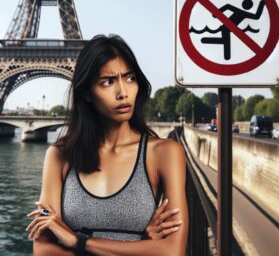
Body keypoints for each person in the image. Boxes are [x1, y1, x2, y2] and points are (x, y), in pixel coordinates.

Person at [25, 34, 188, 255]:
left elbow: (172, 251)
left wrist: (77, 240)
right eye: (108, 82)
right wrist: (140, 245)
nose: (123, 93)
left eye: (130, 78)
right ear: (87, 93)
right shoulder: (59, 156)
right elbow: (45, 251)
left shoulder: (165, 153)